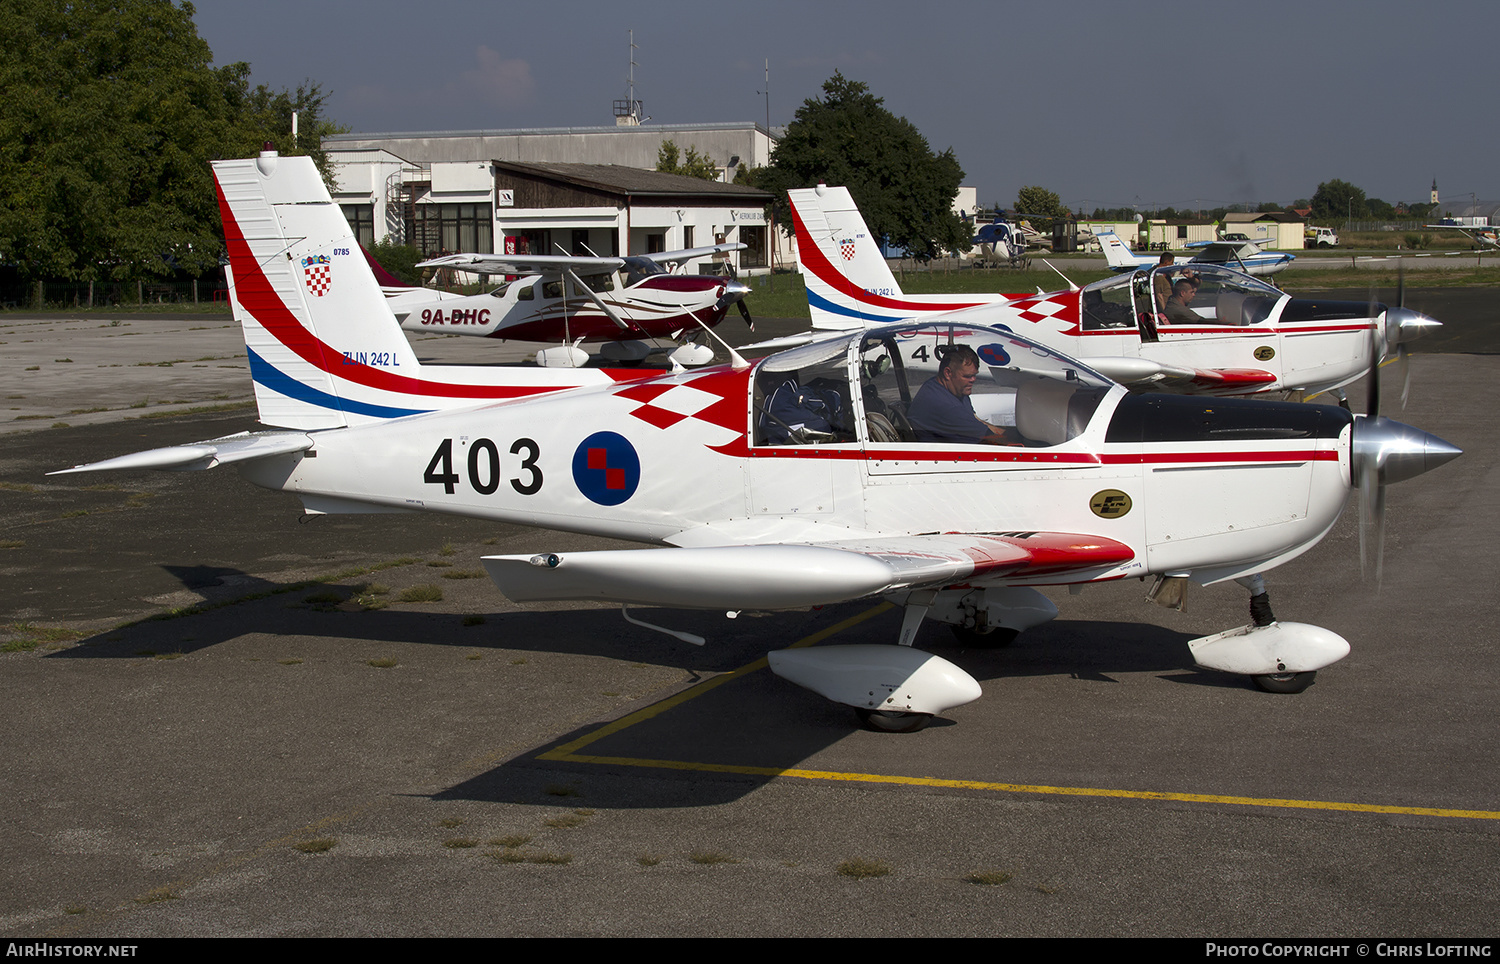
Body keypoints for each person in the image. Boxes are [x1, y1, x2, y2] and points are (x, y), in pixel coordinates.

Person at [905, 346, 1016, 444]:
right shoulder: (947, 407)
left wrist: (1009, 432)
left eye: (974, 375)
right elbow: (990, 439)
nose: (973, 380)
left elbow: (976, 420)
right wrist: (1020, 439)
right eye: (967, 376)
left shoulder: (941, 386)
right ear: (948, 373)